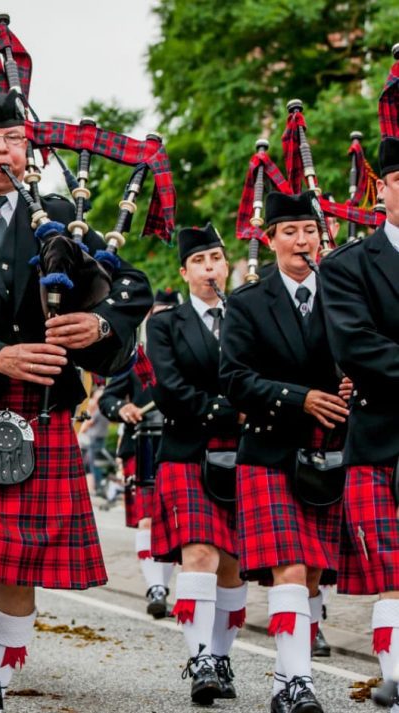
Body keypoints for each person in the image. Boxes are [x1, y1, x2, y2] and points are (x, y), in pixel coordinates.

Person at [0, 91, 152, 712]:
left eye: (14, 139)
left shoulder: (59, 217)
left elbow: (131, 284)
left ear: (28, 149)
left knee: (19, 567)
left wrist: (99, 328)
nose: (2, 151)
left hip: (42, 411)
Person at [221, 191, 348, 713]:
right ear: (269, 239)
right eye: (290, 231)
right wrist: (300, 398)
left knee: (314, 571)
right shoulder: (248, 302)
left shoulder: (344, 294)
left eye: (310, 230)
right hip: (271, 449)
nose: (302, 240)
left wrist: (351, 383)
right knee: (290, 566)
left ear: (321, 236)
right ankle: (296, 683)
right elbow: (234, 378)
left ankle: (286, 680)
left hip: (326, 453)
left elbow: (364, 349)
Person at [146, 224, 246, 705]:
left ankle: (222, 657)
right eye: (200, 262)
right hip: (188, 451)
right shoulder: (166, 324)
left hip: (248, 453)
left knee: (234, 566)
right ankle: (203, 657)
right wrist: (236, 407)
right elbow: (169, 390)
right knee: (200, 554)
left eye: (216, 260)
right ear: (185, 271)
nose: (210, 269)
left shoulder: (248, 317)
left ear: (226, 265)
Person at [321, 136, 399, 710]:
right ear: (383, 188)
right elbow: (356, 346)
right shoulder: (348, 267)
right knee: (394, 572)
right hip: (383, 438)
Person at [98, 290, 178, 619]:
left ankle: (176, 587)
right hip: (143, 442)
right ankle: (155, 587)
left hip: (179, 441)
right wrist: (123, 407)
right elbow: (108, 399)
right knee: (148, 517)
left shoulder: (186, 354)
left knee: (176, 517)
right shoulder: (136, 355)